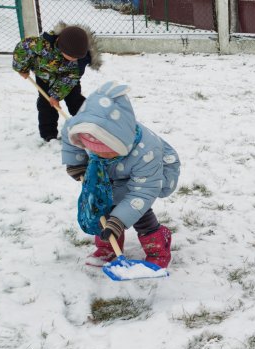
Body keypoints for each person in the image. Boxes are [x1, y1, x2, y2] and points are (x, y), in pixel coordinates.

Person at [61, 81, 180, 268]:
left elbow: (142, 192)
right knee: (102, 208)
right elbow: (70, 132)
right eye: (93, 150)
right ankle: (108, 248)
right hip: (109, 175)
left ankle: (158, 246)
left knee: (140, 215)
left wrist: (119, 221)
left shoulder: (147, 151)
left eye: (106, 152)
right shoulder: (86, 130)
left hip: (145, 179)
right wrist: (76, 163)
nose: (98, 155)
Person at [13, 23, 101, 142]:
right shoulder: (41, 45)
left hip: (68, 81)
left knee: (75, 100)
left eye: (77, 57)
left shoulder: (79, 62)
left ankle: (91, 125)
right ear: (60, 45)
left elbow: (70, 79)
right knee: (46, 104)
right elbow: (22, 48)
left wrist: (55, 96)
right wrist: (21, 68)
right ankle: (49, 135)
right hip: (44, 77)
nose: (74, 59)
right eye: (71, 56)